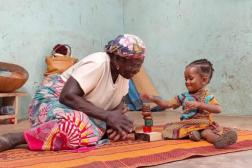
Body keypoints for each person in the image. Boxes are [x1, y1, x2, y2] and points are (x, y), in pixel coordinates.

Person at [0, 34, 146, 151]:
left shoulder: (124, 76)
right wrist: (108, 117)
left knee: (90, 128)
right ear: (116, 59)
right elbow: (67, 96)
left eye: (139, 65)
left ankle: (51, 132)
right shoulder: (99, 62)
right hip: (51, 100)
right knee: (76, 128)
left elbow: (117, 104)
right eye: (133, 65)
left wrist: (117, 125)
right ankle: (18, 138)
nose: (136, 70)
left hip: (80, 109)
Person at [142, 59, 237, 148]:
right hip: (187, 124)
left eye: (190, 79)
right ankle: (194, 134)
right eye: (185, 79)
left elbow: (218, 109)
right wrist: (153, 98)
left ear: (204, 80)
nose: (187, 82)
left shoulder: (207, 97)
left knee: (207, 133)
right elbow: (167, 104)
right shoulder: (183, 96)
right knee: (171, 129)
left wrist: (200, 105)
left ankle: (218, 141)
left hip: (203, 124)